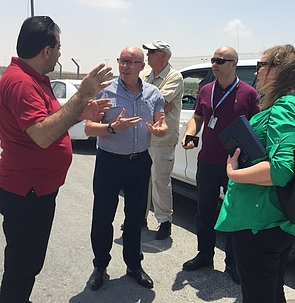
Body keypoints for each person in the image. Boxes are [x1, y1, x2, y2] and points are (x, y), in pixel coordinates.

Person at [0, 16, 112, 303]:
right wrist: (83, 95)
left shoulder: (34, 79)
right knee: (23, 265)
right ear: (46, 51)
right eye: (59, 47)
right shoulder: (22, 83)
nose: (61, 53)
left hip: (35, 188)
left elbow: (50, 119)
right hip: (28, 191)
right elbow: (42, 135)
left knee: (27, 262)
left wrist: (81, 112)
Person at [215, 44, 295, 302]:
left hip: (261, 223)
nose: (256, 73)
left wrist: (233, 174)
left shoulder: (284, 109)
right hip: (276, 220)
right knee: (271, 292)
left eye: (261, 66)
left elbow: (281, 170)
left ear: (277, 70)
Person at [85, 46, 168, 291]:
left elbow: (160, 122)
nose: (125, 66)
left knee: (135, 219)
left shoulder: (153, 93)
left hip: (140, 161)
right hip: (109, 161)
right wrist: (111, 128)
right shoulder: (105, 91)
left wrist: (160, 130)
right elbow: (89, 128)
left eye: (132, 62)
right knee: (103, 217)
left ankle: (134, 265)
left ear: (143, 66)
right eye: (122, 61)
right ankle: (100, 266)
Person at [182, 46, 260, 284]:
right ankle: (205, 255)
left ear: (233, 63)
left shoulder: (249, 94)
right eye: (213, 60)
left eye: (220, 60)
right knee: (204, 213)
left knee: (234, 214)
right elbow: (197, 118)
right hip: (206, 161)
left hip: (235, 165)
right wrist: (190, 133)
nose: (214, 64)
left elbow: (255, 127)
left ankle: (233, 263)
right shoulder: (206, 90)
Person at [140, 40, 183, 239]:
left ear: (163, 56)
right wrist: (155, 106)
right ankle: (140, 217)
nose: (147, 55)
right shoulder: (144, 75)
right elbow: (146, 103)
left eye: (152, 52)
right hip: (142, 136)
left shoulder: (174, 77)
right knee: (141, 180)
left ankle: (164, 221)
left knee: (159, 179)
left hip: (162, 139)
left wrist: (153, 105)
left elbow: (158, 102)